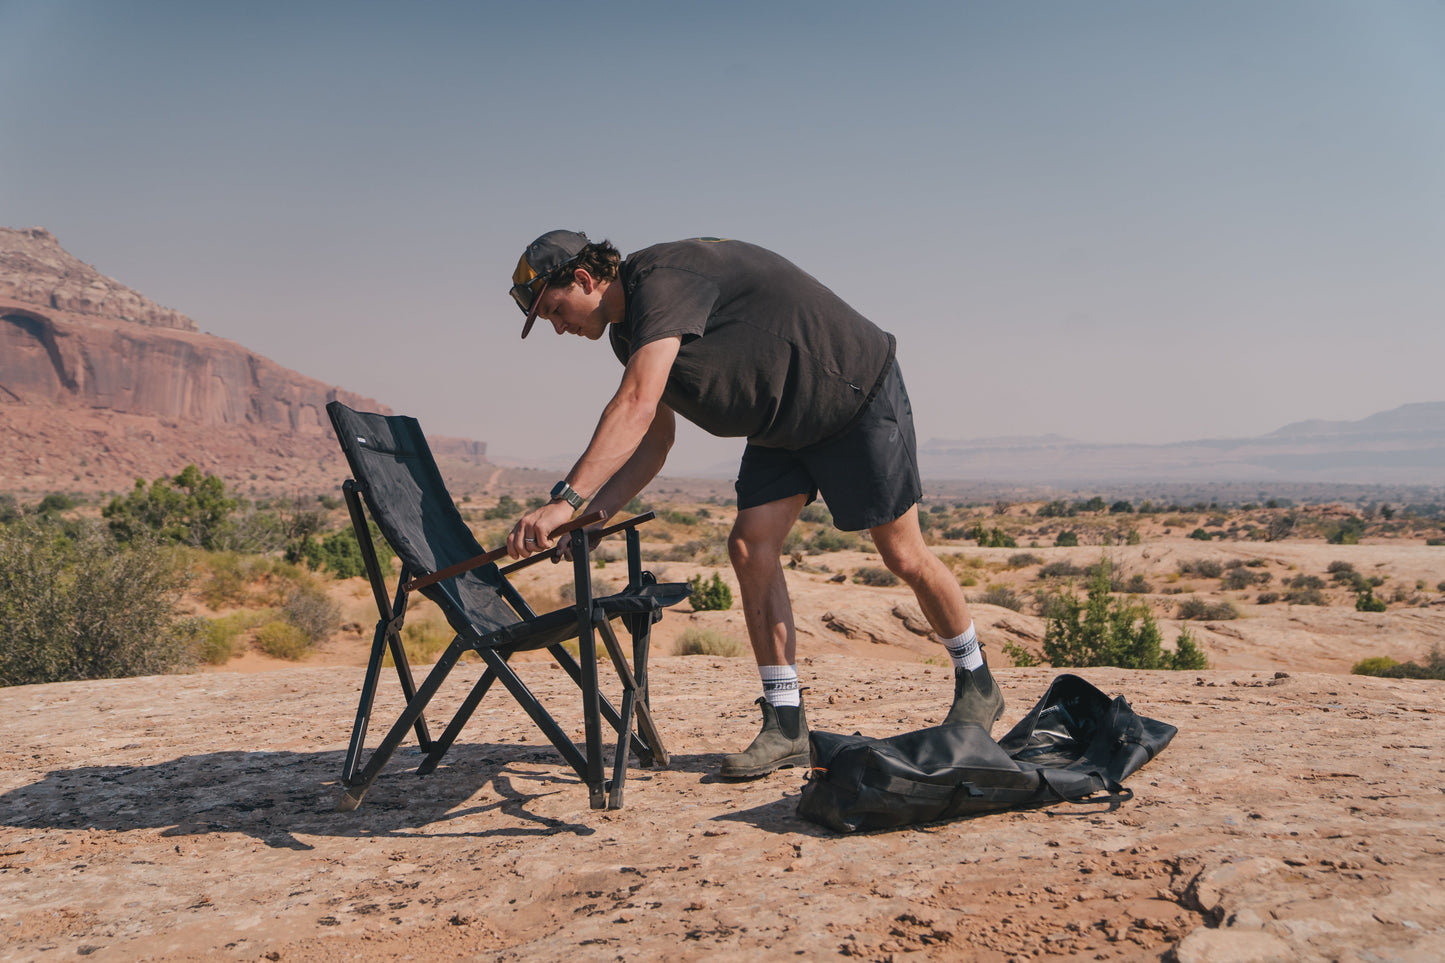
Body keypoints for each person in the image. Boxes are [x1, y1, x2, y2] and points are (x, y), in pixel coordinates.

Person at [503, 230, 1003, 778]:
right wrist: (590, 517)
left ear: (583, 279)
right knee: (749, 545)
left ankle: (977, 680)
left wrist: (562, 502)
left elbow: (636, 406)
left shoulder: (662, 280)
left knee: (903, 555)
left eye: (554, 309)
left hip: (852, 397)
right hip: (783, 428)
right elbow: (654, 441)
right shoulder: (629, 334)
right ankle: (786, 724)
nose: (558, 326)